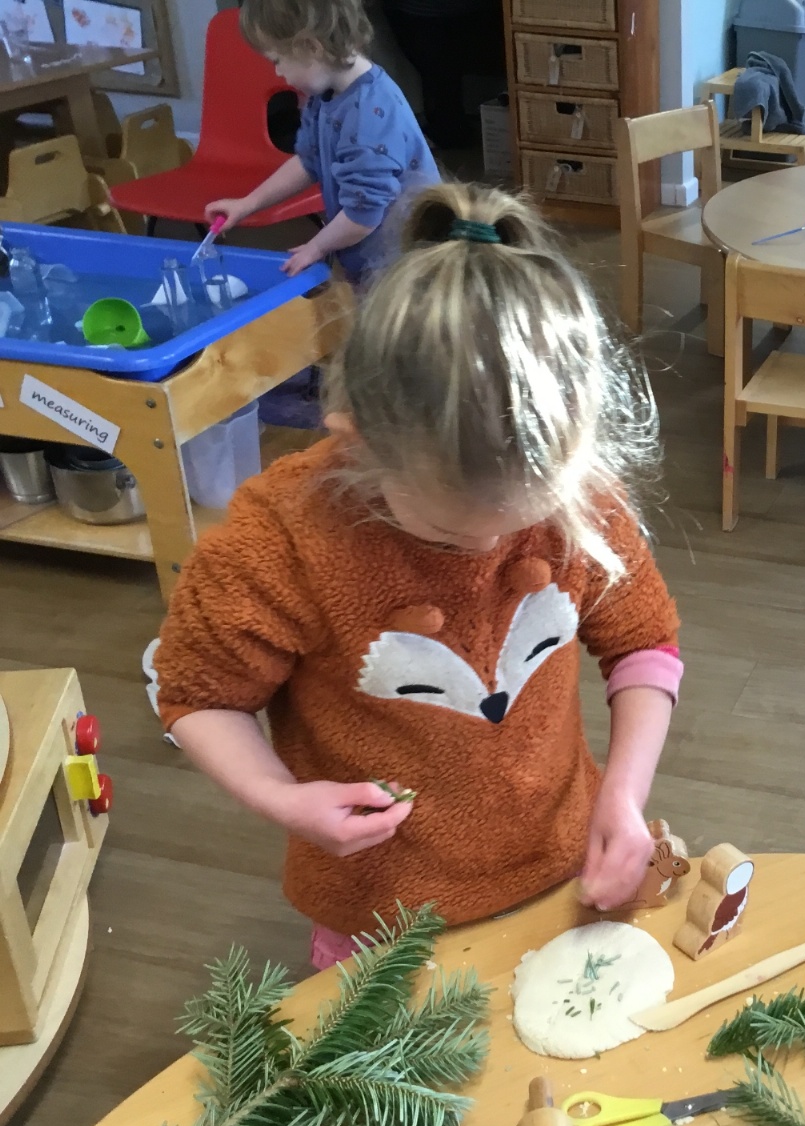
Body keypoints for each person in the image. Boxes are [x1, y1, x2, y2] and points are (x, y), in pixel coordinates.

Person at [150, 183, 681, 968]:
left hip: (557, 860)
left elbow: (645, 645)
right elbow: (199, 694)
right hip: (379, 905)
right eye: (451, 529)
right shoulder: (283, 538)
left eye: (526, 515)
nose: (490, 547)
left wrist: (624, 797)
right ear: (359, 441)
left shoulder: (581, 496)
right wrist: (281, 797)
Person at [210, 0, 439, 285]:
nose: (277, 73)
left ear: (311, 47)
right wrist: (248, 204)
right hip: (374, 260)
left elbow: (363, 216)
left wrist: (316, 247)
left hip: (407, 267)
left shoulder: (367, 115)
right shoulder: (324, 96)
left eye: (277, 60)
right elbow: (308, 161)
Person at [380, 0, 505, 150]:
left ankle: (445, 127)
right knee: (441, 73)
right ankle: (448, 126)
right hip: (473, 15)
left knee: (438, 72)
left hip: (428, 16)